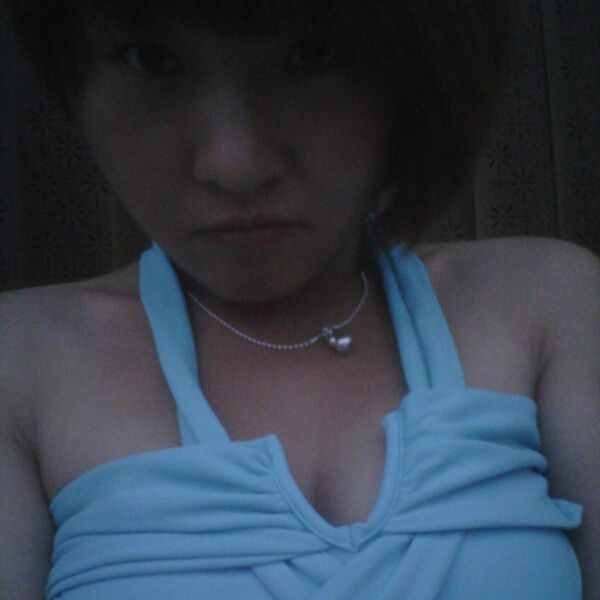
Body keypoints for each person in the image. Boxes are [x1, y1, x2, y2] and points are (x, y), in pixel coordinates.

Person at [1, 1, 598, 598]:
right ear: (75, 83)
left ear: (413, 83)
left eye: (311, 56)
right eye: (152, 60)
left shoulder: (549, 302)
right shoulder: (21, 361)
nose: (235, 165)